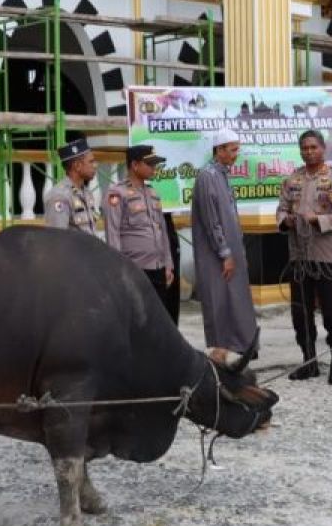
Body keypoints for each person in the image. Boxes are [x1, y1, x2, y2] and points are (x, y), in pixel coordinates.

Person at [277, 130, 332, 384]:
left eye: (313, 147)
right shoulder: (291, 179)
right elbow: (281, 208)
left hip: (326, 256)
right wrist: (284, 220)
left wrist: (317, 220)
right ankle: (309, 362)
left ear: (323, 148)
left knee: (331, 312)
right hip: (299, 256)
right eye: (304, 148)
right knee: (301, 313)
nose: (308, 152)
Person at [191, 129, 259, 358]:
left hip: (230, 253)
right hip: (217, 256)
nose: (236, 154)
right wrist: (225, 253)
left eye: (237, 149)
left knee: (235, 299)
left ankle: (239, 348)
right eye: (233, 150)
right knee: (220, 301)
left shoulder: (221, 174)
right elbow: (212, 221)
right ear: (219, 150)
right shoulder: (207, 176)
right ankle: (220, 355)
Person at [104, 145, 176, 320]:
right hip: (135, 269)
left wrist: (168, 263)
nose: (154, 168)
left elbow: (162, 230)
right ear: (135, 165)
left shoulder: (153, 193)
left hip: (158, 268)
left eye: (155, 164)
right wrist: (119, 270)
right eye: (149, 164)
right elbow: (112, 234)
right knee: (136, 319)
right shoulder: (116, 193)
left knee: (158, 319)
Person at [44, 137, 99, 235]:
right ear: (77, 166)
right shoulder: (59, 196)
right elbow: (57, 238)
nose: (95, 165)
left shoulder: (86, 192)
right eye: (91, 162)